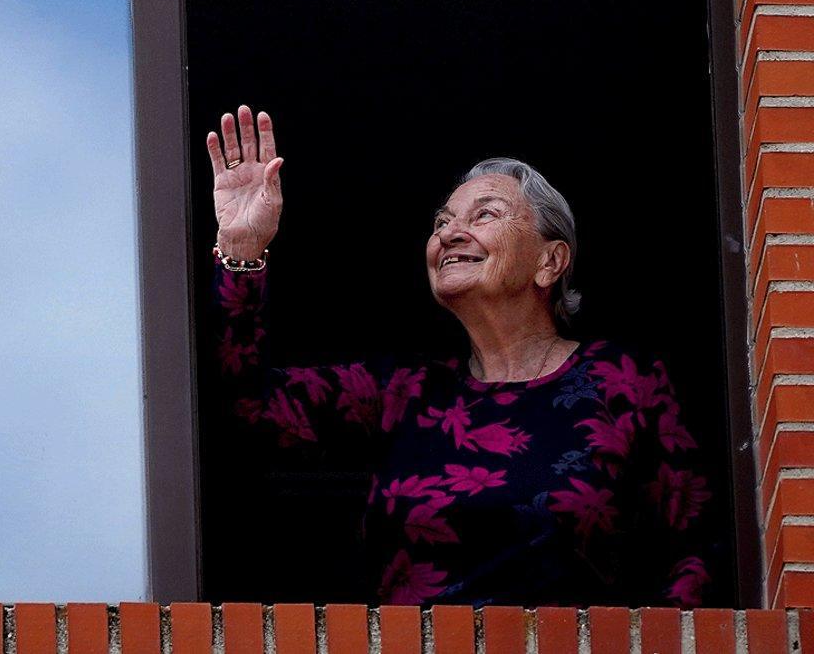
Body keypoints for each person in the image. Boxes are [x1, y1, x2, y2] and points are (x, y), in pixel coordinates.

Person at [206, 104, 714, 607]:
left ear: (550, 261)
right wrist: (242, 249)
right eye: (442, 221)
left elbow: (694, 551)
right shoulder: (404, 395)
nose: (449, 233)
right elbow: (248, 407)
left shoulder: (622, 382)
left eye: (485, 214)